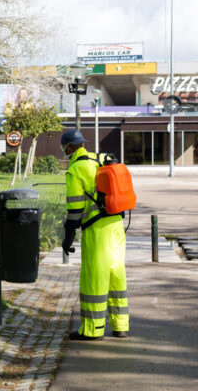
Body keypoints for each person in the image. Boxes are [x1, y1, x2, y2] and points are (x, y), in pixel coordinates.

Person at [61, 129, 129, 341]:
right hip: (116, 223)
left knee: (94, 277)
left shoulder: (76, 169)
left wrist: (68, 236)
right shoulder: (100, 159)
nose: (66, 151)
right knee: (117, 274)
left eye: (65, 148)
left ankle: (92, 329)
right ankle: (121, 326)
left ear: (70, 148)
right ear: (83, 144)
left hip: (97, 230)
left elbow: (75, 209)